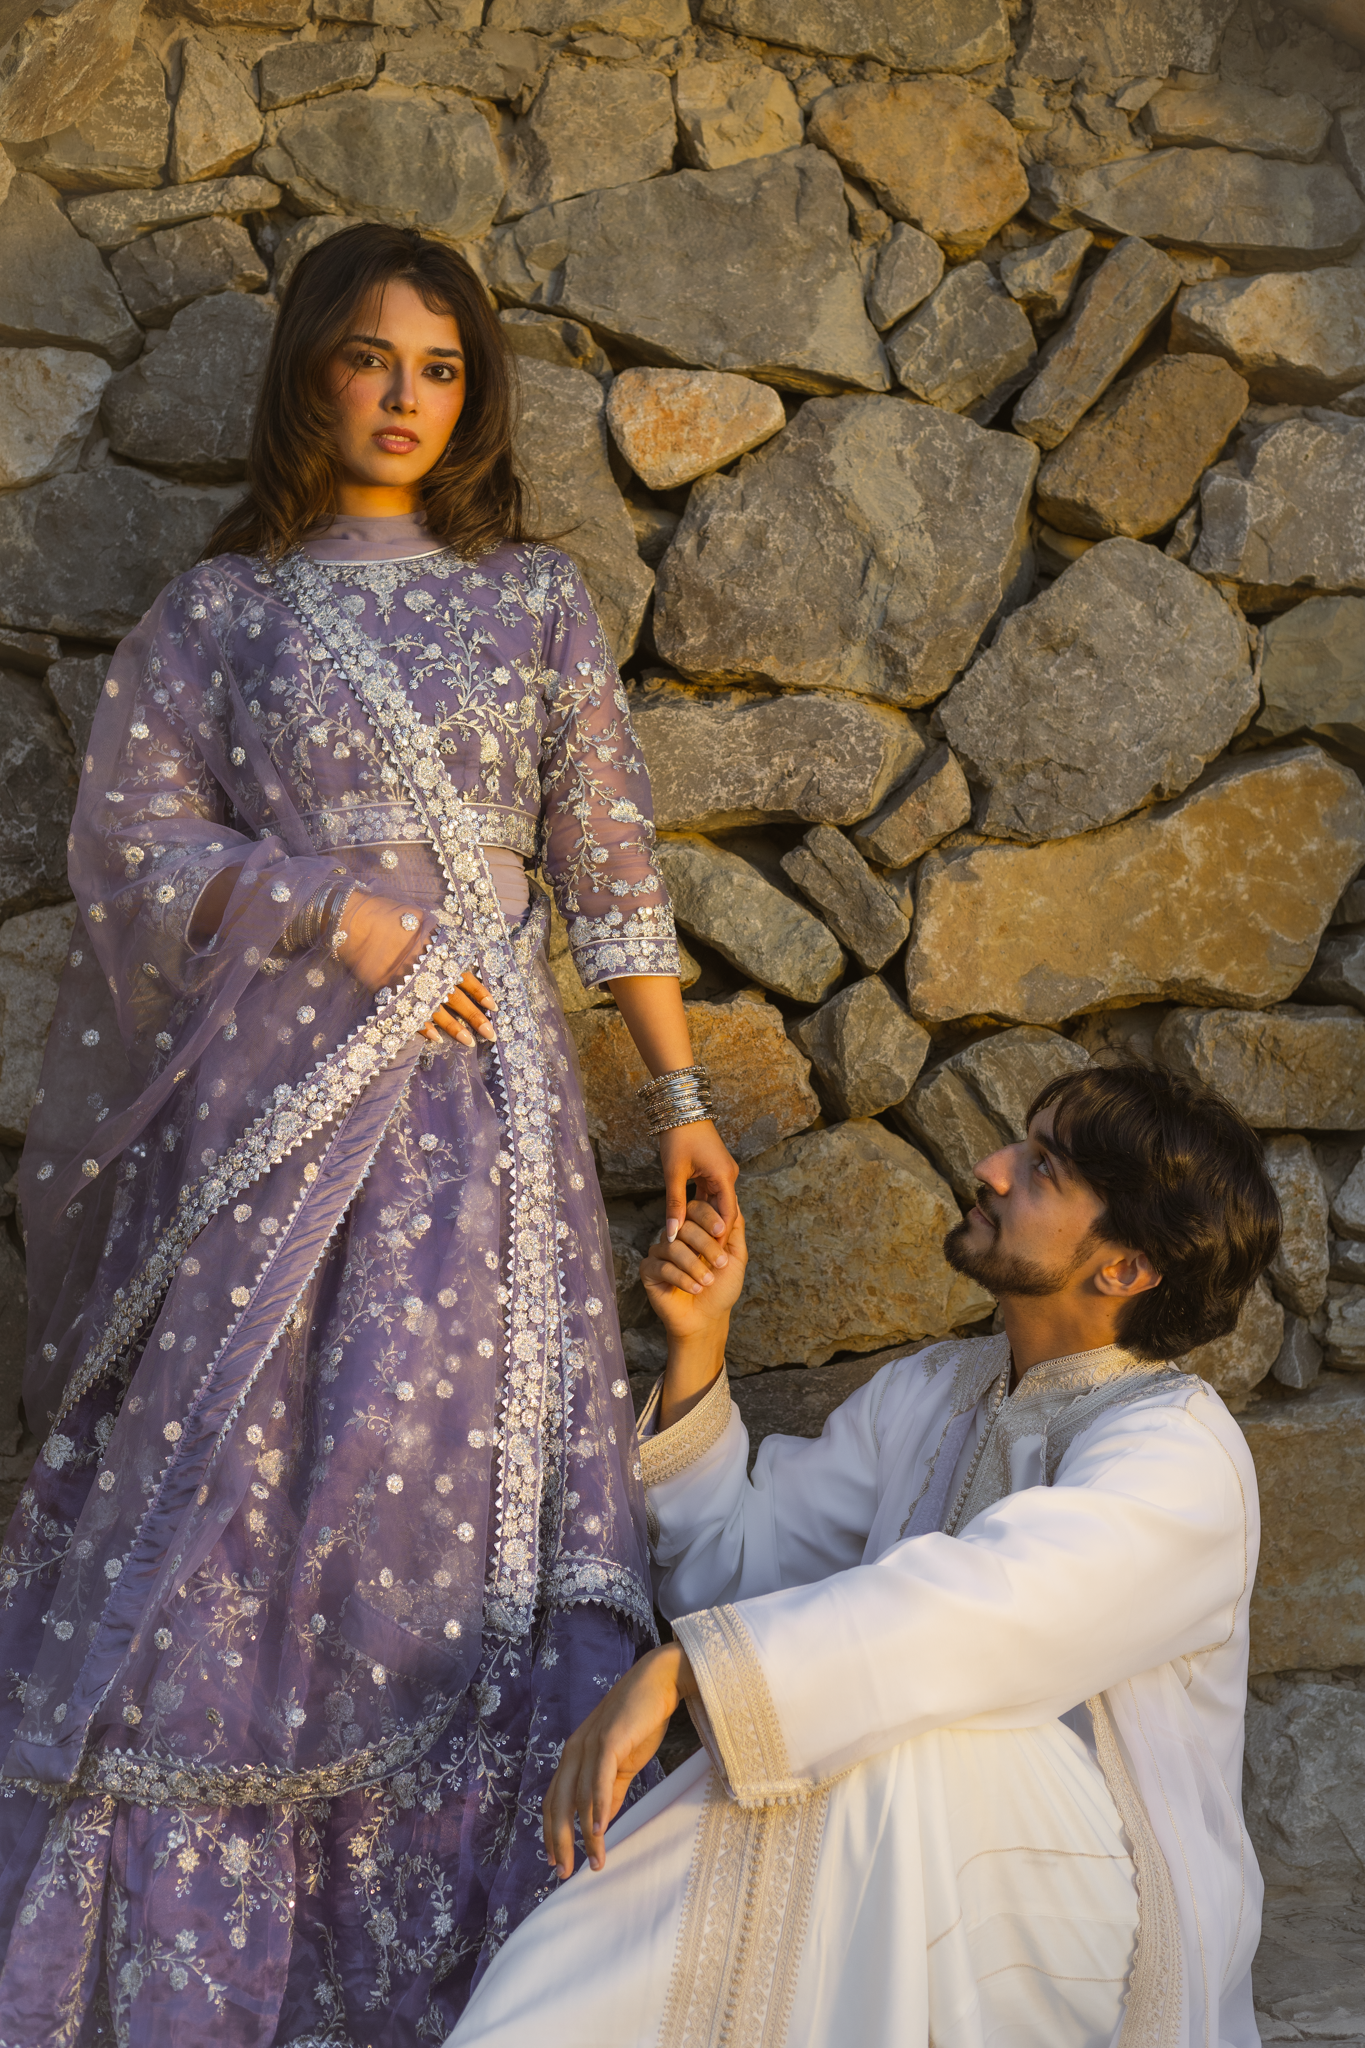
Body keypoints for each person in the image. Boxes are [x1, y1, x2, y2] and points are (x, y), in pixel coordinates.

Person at [0, 222, 739, 2044]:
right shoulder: (221, 616)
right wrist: (334, 906)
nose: (405, 398)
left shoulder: (537, 602)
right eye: (367, 359)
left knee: (455, 1523)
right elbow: (136, 852)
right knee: (259, 1508)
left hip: (490, 1140)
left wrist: (685, 1096)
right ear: (309, 373)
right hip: (272, 1136)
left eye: (438, 367)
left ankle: (493, 1975)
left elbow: (611, 860)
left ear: (471, 391)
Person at [449, 1062, 1282, 2048]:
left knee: (893, 1740)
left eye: (1044, 1166)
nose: (991, 1166)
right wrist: (700, 1346)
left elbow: (986, 1612)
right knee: (829, 1736)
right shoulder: (934, 1389)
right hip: (914, 1855)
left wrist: (690, 1670)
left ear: (1124, 1268)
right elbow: (739, 1569)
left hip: (1109, 1923)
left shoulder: (1179, 1451)